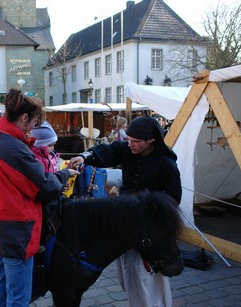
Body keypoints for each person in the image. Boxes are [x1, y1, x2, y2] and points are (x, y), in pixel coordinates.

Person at [0, 88, 79, 306]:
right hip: (14, 234)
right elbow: (43, 186)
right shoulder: (13, 148)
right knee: (18, 298)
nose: (34, 128)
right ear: (24, 118)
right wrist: (63, 174)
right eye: (34, 122)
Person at [69, 115, 182, 307]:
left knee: (145, 277)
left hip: (148, 228)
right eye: (128, 140)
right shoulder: (127, 150)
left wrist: (147, 207)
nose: (130, 145)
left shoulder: (167, 164)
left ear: (151, 140)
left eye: (135, 141)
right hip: (126, 224)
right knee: (128, 274)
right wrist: (84, 157)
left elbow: (172, 199)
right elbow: (109, 151)